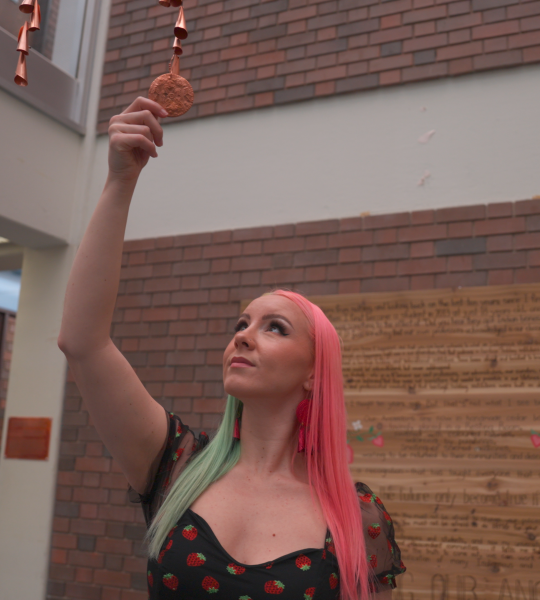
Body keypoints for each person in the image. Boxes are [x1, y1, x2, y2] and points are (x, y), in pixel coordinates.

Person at [57, 97, 405, 599]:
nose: (242, 335)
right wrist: (119, 183)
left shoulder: (358, 517)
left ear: (315, 371)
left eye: (275, 328)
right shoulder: (175, 463)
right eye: (242, 322)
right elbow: (82, 341)